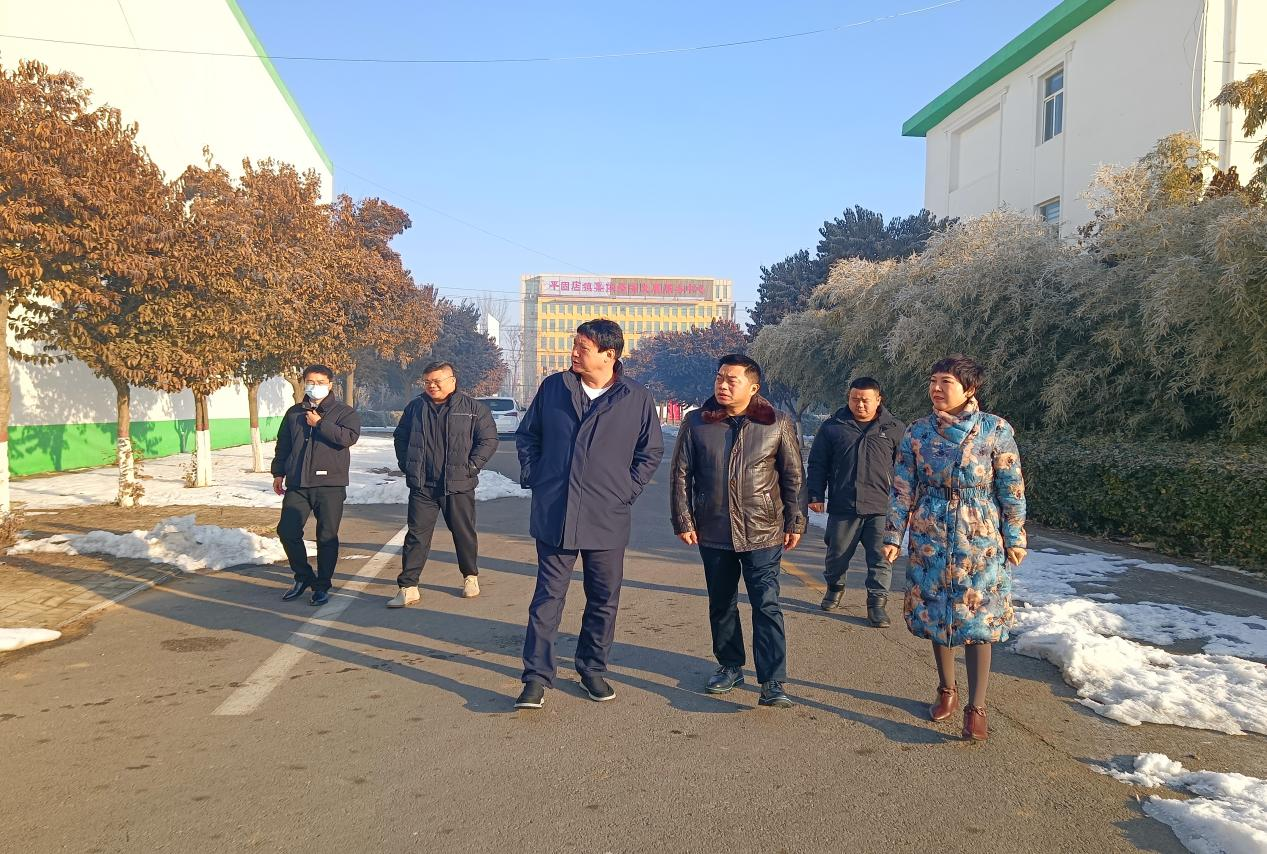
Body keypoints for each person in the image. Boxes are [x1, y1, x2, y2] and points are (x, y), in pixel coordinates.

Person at [513, 319, 664, 709]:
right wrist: (536, 475)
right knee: (547, 598)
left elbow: (650, 452)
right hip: (556, 511)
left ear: (608, 355)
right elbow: (528, 435)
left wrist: (626, 490)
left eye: (583, 347)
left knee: (603, 598)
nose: (574, 352)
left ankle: (592, 669)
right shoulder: (554, 388)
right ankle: (535, 677)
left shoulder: (635, 397)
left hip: (606, 514)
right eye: (575, 344)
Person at [881, 355, 1026, 742]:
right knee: (937, 613)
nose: (936, 388)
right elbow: (902, 487)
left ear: (970, 388)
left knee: (979, 619)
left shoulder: (995, 429)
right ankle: (946, 688)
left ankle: (976, 707)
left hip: (978, 538)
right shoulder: (917, 432)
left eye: (945, 381)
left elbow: (1011, 487)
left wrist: (1014, 536)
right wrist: (894, 534)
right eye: (933, 380)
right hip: (930, 534)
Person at [669, 354, 806, 709]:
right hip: (713, 528)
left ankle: (772, 681)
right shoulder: (697, 422)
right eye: (719, 378)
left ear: (753, 387)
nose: (723, 385)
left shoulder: (776, 423)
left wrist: (796, 521)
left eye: (732, 380)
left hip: (763, 529)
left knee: (767, 603)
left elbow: (793, 476)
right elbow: (681, 474)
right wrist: (684, 518)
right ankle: (730, 666)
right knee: (722, 602)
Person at [389, 361, 498, 606]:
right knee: (416, 536)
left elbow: (488, 440)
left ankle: (470, 576)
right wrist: (407, 464)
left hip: (457, 484)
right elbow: (401, 437)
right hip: (423, 485)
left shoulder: (472, 408)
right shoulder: (416, 407)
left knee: (463, 533)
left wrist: (471, 467)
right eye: (427, 382)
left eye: (437, 381)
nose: (432, 386)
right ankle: (408, 587)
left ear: (452, 381)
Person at [806, 377, 904, 626]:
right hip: (844, 505)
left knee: (881, 559)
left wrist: (906, 504)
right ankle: (834, 588)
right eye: (854, 399)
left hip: (881, 507)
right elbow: (818, 463)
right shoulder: (833, 427)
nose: (859, 404)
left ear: (878, 400)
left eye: (865, 400)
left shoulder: (894, 428)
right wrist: (815, 494)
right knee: (836, 555)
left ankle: (877, 605)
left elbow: (905, 470)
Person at [271, 364, 362, 606]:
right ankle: (303, 577)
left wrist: (320, 423)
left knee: (326, 536)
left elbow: (348, 438)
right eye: (311, 382)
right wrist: (278, 472)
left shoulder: (344, 412)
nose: (315, 386)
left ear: (330, 385)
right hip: (299, 483)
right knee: (287, 531)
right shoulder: (294, 413)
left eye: (320, 382)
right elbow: (284, 444)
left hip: (330, 484)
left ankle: (322, 586)